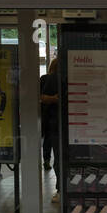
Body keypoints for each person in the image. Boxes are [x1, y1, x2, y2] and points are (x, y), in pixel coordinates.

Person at [40, 56, 61, 204]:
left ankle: (60, 189)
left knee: (57, 155)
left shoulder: (47, 79)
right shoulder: (57, 79)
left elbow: (41, 98)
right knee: (62, 157)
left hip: (52, 122)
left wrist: (50, 99)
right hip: (62, 123)